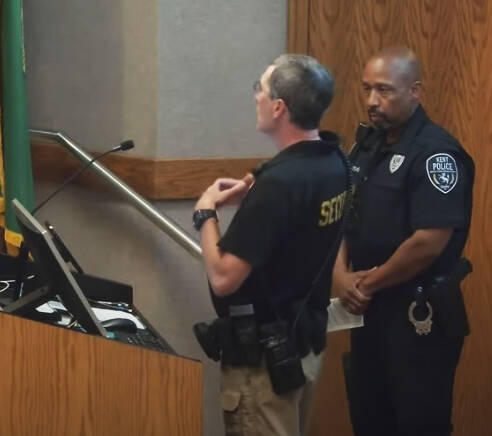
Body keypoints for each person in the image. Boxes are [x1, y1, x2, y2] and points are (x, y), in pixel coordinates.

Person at [193, 54, 349, 436]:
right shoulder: (334, 163)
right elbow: (297, 207)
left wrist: (205, 215)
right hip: (303, 346)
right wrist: (254, 188)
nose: (255, 98)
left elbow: (224, 278)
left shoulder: (279, 185)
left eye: (259, 90)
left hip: (263, 366)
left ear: (279, 107)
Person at [333, 47, 475, 436]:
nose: (371, 102)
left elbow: (428, 242)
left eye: (384, 90)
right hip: (367, 311)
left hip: (417, 317)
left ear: (415, 91)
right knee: (369, 418)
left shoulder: (435, 153)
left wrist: (364, 284)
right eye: (366, 90)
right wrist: (340, 275)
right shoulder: (367, 144)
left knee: (416, 423)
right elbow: (343, 214)